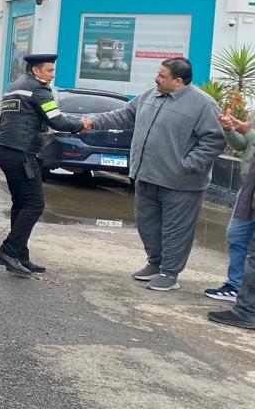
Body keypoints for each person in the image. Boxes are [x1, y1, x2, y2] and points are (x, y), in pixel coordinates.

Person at [80, 57, 224, 291]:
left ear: (178, 81)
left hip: (180, 182)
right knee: (147, 225)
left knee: (176, 230)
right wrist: (92, 121)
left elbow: (215, 139)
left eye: (162, 76)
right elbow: (123, 115)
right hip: (145, 175)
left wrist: (187, 165)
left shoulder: (203, 104)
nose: (156, 79)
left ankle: (170, 273)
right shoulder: (149, 96)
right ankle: (155, 263)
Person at [0, 52, 87, 276]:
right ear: (36, 70)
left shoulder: (15, 86)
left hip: (6, 150)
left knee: (21, 203)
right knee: (34, 204)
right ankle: (8, 250)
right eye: (49, 70)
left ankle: (20, 255)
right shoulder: (39, 89)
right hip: (22, 153)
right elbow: (56, 120)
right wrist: (80, 124)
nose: (53, 75)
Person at [203, 111, 255, 303]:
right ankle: (235, 286)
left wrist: (248, 132)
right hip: (248, 185)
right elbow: (243, 145)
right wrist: (230, 130)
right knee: (237, 235)